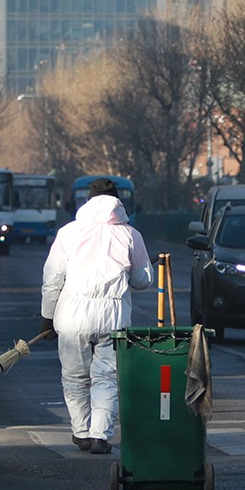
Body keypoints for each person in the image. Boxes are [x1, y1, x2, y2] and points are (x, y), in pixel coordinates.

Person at [40, 178, 153, 454]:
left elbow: (53, 278)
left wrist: (47, 316)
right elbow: (142, 281)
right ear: (119, 203)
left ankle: (80, 432)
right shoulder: (130, 235)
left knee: (75, 376)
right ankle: (100, 435)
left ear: (87, 201)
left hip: (72, 315)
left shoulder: (69, 233)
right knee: (107, 377)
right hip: (113, 317)